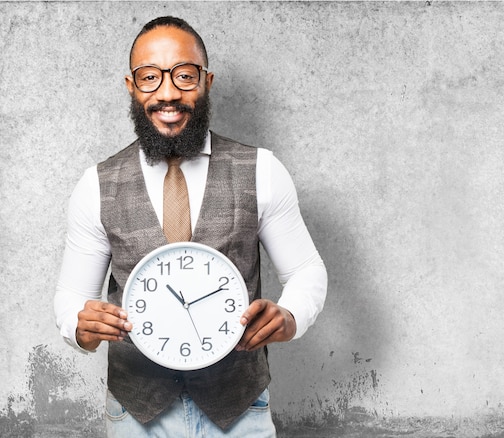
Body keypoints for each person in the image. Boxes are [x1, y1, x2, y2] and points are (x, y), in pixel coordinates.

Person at [54, 16, 327, 437]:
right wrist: (81, 328)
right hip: (135, 412)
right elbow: (73, 297)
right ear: (132, 87)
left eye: (184, 76)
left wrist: (290, 316)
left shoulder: (262, 170)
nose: (167, 93)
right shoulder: (96, 185)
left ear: (206, 81)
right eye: (150, 78)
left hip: (240, 406)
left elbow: (306, 271)